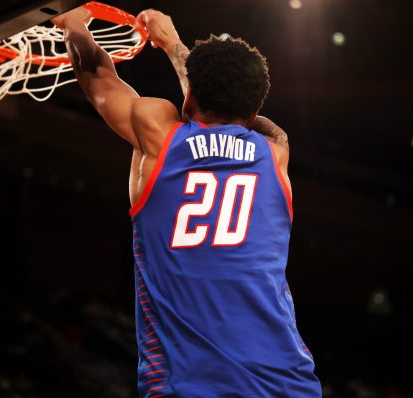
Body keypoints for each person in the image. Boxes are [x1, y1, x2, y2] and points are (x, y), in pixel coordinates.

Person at [52, 5, 322, 397]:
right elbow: (238, 116)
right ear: (254, 109)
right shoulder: (274, 152)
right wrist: (176, 48)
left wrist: (74, 23)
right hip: (285, 382)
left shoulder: (158, 135)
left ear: (191, 90)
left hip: (188, 385)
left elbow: (96, 77)